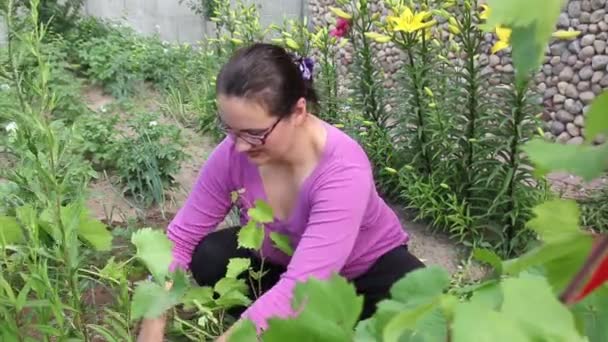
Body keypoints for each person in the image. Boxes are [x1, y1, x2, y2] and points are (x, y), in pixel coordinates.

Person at [137, 42, 425, 341]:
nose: (239, 146)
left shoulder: (342, 172)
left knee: (418, 307)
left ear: (298, 111)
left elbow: (303, 285)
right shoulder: (233, 153)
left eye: (254, 133)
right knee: (210, 255)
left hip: (363, 277)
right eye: (230, 128)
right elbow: (181, 239)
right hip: (289, 267)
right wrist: (153, 318)